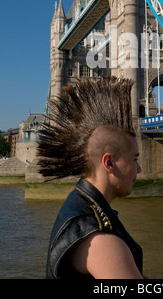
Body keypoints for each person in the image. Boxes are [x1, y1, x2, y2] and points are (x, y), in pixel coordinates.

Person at [37, 76, 144, 280]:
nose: (139, 169)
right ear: (109, 163)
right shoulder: (101, 241)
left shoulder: (79, 203)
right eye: (135, 159)